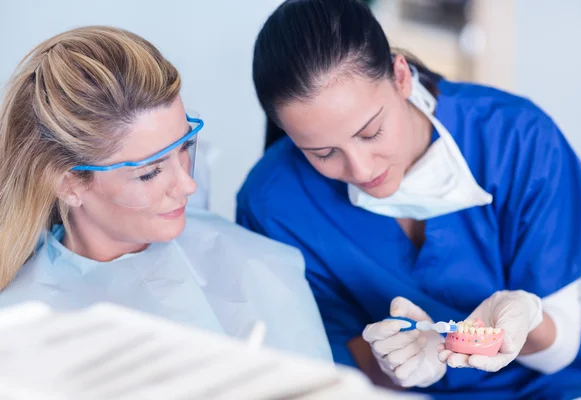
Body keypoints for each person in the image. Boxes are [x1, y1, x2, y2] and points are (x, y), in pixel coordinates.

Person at [236, 0, 581, 398]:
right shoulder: (275, 204)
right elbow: (327, 362)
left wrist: (524, 321)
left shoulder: (516, 138)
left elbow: (559, 352)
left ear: (401, 76)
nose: (360, 169)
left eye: (370, 131)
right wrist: (403, 365)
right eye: (323, 153)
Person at [0, 25, 332, 363]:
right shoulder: (21, 330)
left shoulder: (261, 267)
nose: (188, 185)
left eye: (185, 146)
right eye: (150, 172)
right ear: (68, 185)